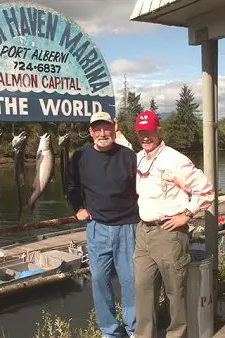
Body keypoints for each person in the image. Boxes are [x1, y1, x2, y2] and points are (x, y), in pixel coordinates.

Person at [133, 110, 214, 338]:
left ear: (159, 131)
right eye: (141, 133)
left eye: (149, 131)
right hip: (143, 233)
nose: (145, 137)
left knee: (175, 293)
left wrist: (186, 215)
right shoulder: (139, 157)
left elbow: (206, 190)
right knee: (143, 290)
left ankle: (176, 335)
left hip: (169, 234)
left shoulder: (175, 159)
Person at [68, 111, 140, 338]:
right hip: (97, 227)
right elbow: (71, 186)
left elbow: (144, 187)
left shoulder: (129, 155)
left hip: (128, 226)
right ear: (90, 132)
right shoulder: (79, 156)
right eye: (97, 129)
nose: (102, 133)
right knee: (99, 280)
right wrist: (78, 207)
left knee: (130, 281)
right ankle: (110, 332)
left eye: (106, 128)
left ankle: (134, 329)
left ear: (114, 128)